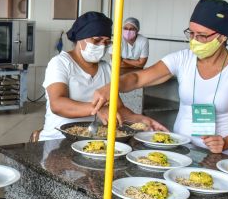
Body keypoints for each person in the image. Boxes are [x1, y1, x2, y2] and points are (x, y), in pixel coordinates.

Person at [92, 0, 228, 155]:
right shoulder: (183, 59)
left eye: (202, 35)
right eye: (191, 33)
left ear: (223, 37)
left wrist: (225, 143)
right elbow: (138, 78)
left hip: (221, 155)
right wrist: (112, 87)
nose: (194, 40)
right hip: (182, 149)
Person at [39, 11, 164, 141]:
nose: (102, 46)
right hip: (57, 139)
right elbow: (58, 104)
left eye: (106, 42)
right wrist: (98, 109)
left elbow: (118, 108)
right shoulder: (61, 63)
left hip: (93, 139)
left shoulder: (106, 69)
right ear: (81, 39)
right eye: (97, 40)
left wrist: (139, 119)